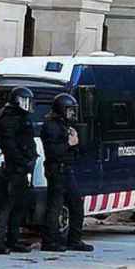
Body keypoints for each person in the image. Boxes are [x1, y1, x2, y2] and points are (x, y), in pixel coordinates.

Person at [41, 93, 93, 252]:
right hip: (57, 170)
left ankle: (74, 239)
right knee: (55, 206)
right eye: (69, 111)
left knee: (76, 203)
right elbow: (52, 151)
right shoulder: (51, 126)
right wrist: (69, 143)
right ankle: (50, 241)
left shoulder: (64, 125)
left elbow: (73, 150)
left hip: (66, 169)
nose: (72, 114)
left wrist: (75, 143)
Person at [0, 86, 37, 254]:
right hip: (13, 168)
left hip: (22, 168)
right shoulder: (8, 119)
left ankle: (13, 240)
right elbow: (9, 145)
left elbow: (27, 140)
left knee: (20, 206)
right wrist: (21, 160)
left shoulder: (22, 118)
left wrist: (31, 157)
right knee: (6, 206)